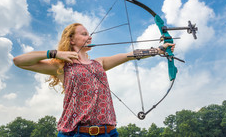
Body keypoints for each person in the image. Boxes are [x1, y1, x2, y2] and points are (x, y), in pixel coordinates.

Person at [13, 23, 175, 137]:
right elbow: (19, 61)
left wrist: (159, 50)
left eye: (89, 34)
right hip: (75, 133)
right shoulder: (62, 66)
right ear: (71, 40)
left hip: (108, 132)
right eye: (84, 34)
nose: (89, 37)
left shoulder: (100, 62)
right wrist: (55, 54)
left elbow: (130, 55)